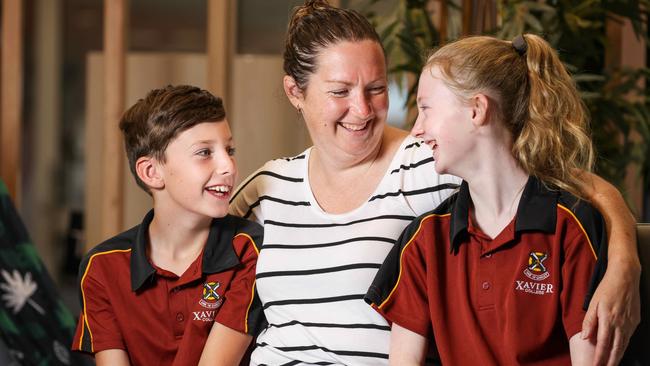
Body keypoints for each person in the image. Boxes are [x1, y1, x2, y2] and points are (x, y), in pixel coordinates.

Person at [200, 1, 640, 365]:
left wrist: (623, 265)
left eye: (375, 89)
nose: (363, 109)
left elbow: (571, 184)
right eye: (340, 92)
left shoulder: (434, 162)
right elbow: (187, 252)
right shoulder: (268, 187)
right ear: (296, 92)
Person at [365, 34, 621, 365]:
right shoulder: (423, 242)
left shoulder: (571, 226)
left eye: (425, 109)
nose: (416, 129)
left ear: (477, 110)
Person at [71, 85, 264, 366]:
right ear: (151, 172)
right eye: (204, 152)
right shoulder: (101, 268)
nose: (229, 166)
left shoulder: (251, 249)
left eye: (229, 149)